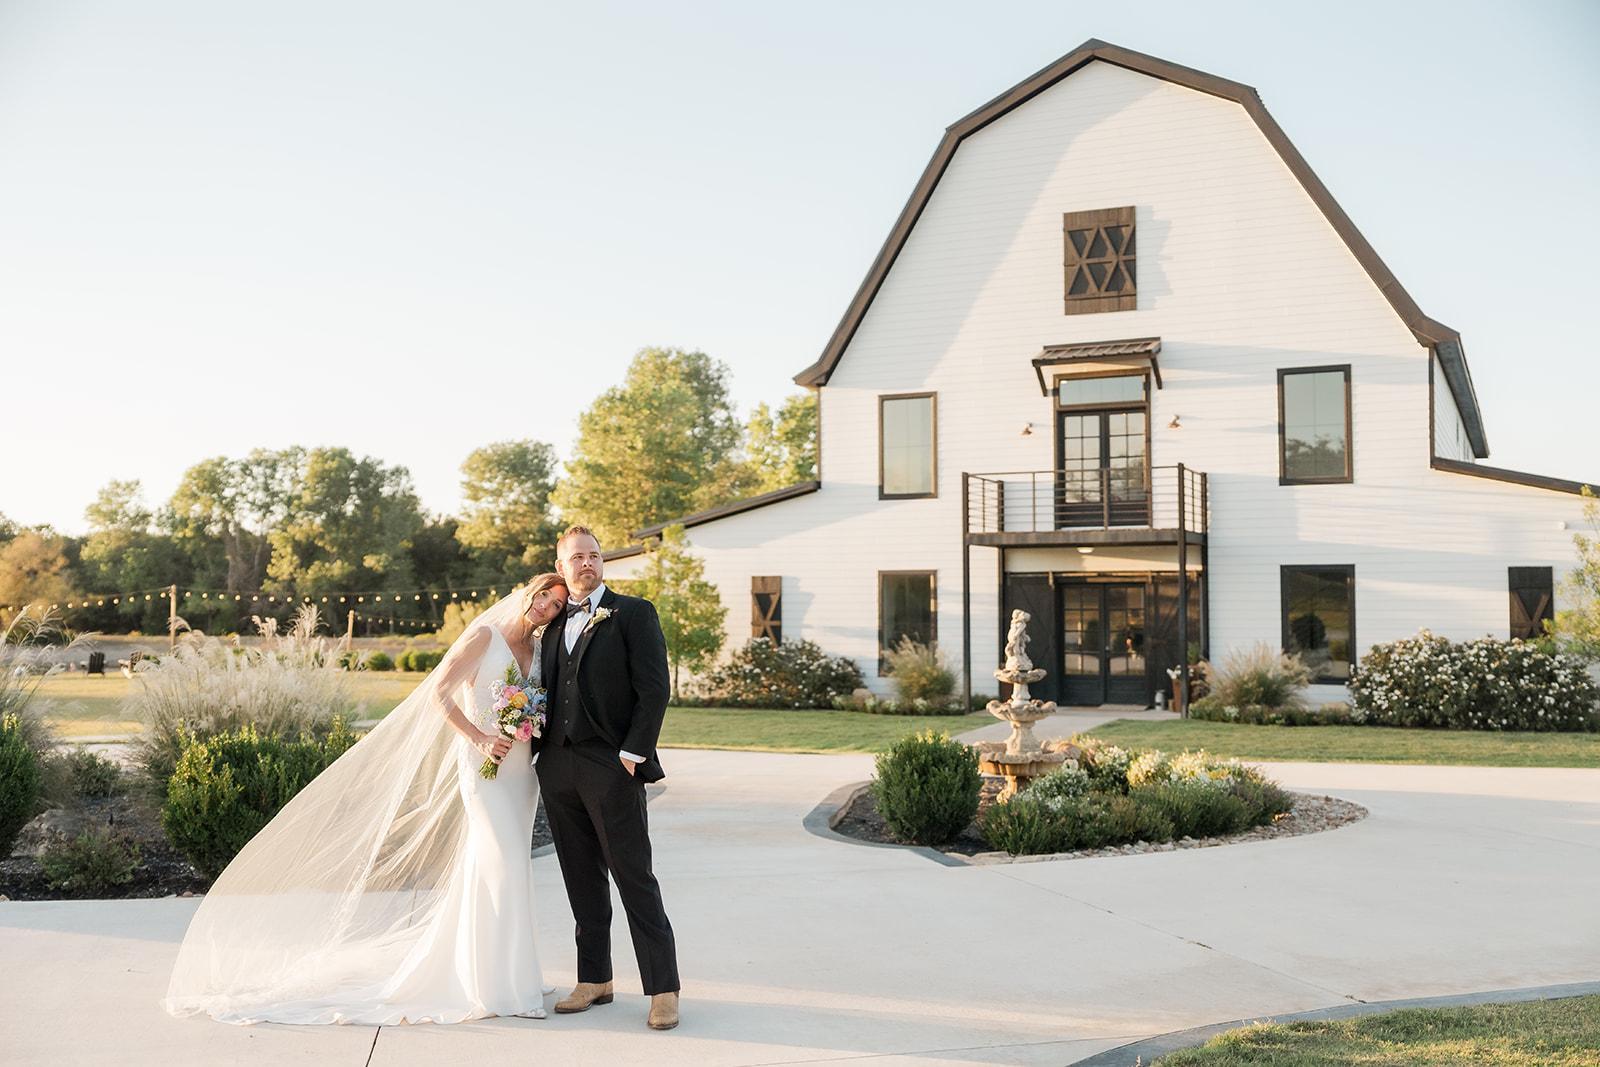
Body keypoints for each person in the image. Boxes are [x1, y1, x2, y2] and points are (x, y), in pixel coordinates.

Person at [162, 573, 569, 1025]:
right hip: (484, 767)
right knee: (502, 864)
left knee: (504, 867)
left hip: (519, 773)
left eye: (556, 605)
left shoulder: (538, 650)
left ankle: (514, 972)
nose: (546, 607)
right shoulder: (484, 637)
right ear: (529, 591)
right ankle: (499, 988)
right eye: (544, 596)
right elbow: (439, 694)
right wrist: (478, 738)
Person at [538, 524, 681, 1031]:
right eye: (577, 557)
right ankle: (594, 979)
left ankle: (664, 989)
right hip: (557, 765)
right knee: (581, 877)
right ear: (561, 568)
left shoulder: (633, 613)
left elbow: (654, 689)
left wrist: (632, 754)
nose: (587, 563)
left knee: (633, 876)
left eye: (594, 555)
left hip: (612, 765)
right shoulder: (550, 624)